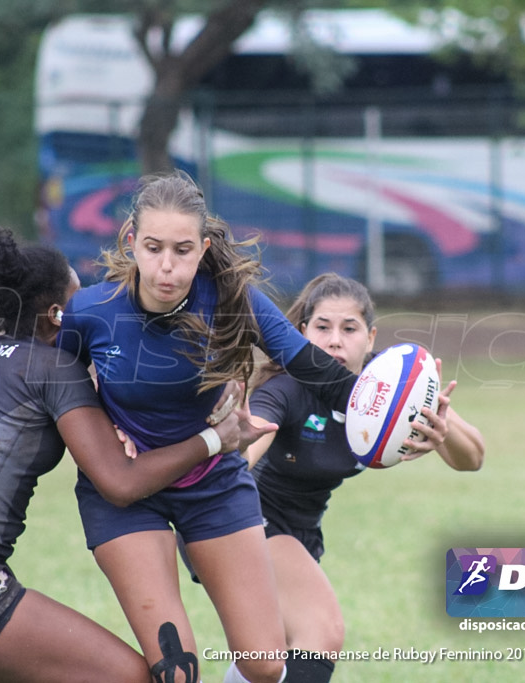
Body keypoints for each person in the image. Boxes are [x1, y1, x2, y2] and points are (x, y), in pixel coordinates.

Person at [0, 227, 264, 682]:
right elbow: (120, 483)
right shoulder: (54, 368)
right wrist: (217, 439)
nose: (96, 309)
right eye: (82, 298)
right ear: (59, 314)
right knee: (133, 678)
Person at [58, 171, 358, 683]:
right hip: (129, 495)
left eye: (182, 250)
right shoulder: (89, 312)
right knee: (177, 672)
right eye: (153, 248)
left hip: (213, 484)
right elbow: (58, 389)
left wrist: (389, 408)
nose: (167, 267)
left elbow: (308, 364)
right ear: (131, 241)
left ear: (203, 248)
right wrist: (104, 425)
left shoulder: (232, 302)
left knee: (265, 667)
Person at [243, 273, 486, 682]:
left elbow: (473, 458)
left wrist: (441, 428)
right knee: (321, 630)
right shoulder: (285, 389)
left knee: (270, 661)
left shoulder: (389, 387)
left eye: (349, 328)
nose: (335, 340)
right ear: (302, 333)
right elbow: (243, 453)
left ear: (371, 338)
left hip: (302, 534)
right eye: (322, 327)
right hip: (245, 520)